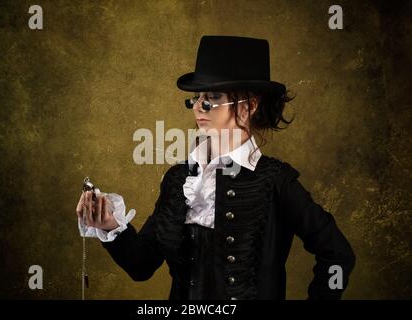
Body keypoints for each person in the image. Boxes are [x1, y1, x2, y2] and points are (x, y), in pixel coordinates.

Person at [75, 35, 356, 300]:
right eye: (196, 98)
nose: (198, 107)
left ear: (248, 106)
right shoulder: (178, 179)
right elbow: (142, 266)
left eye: (212, 98)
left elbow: (338, 255)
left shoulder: (275, 180)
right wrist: (109, 224)